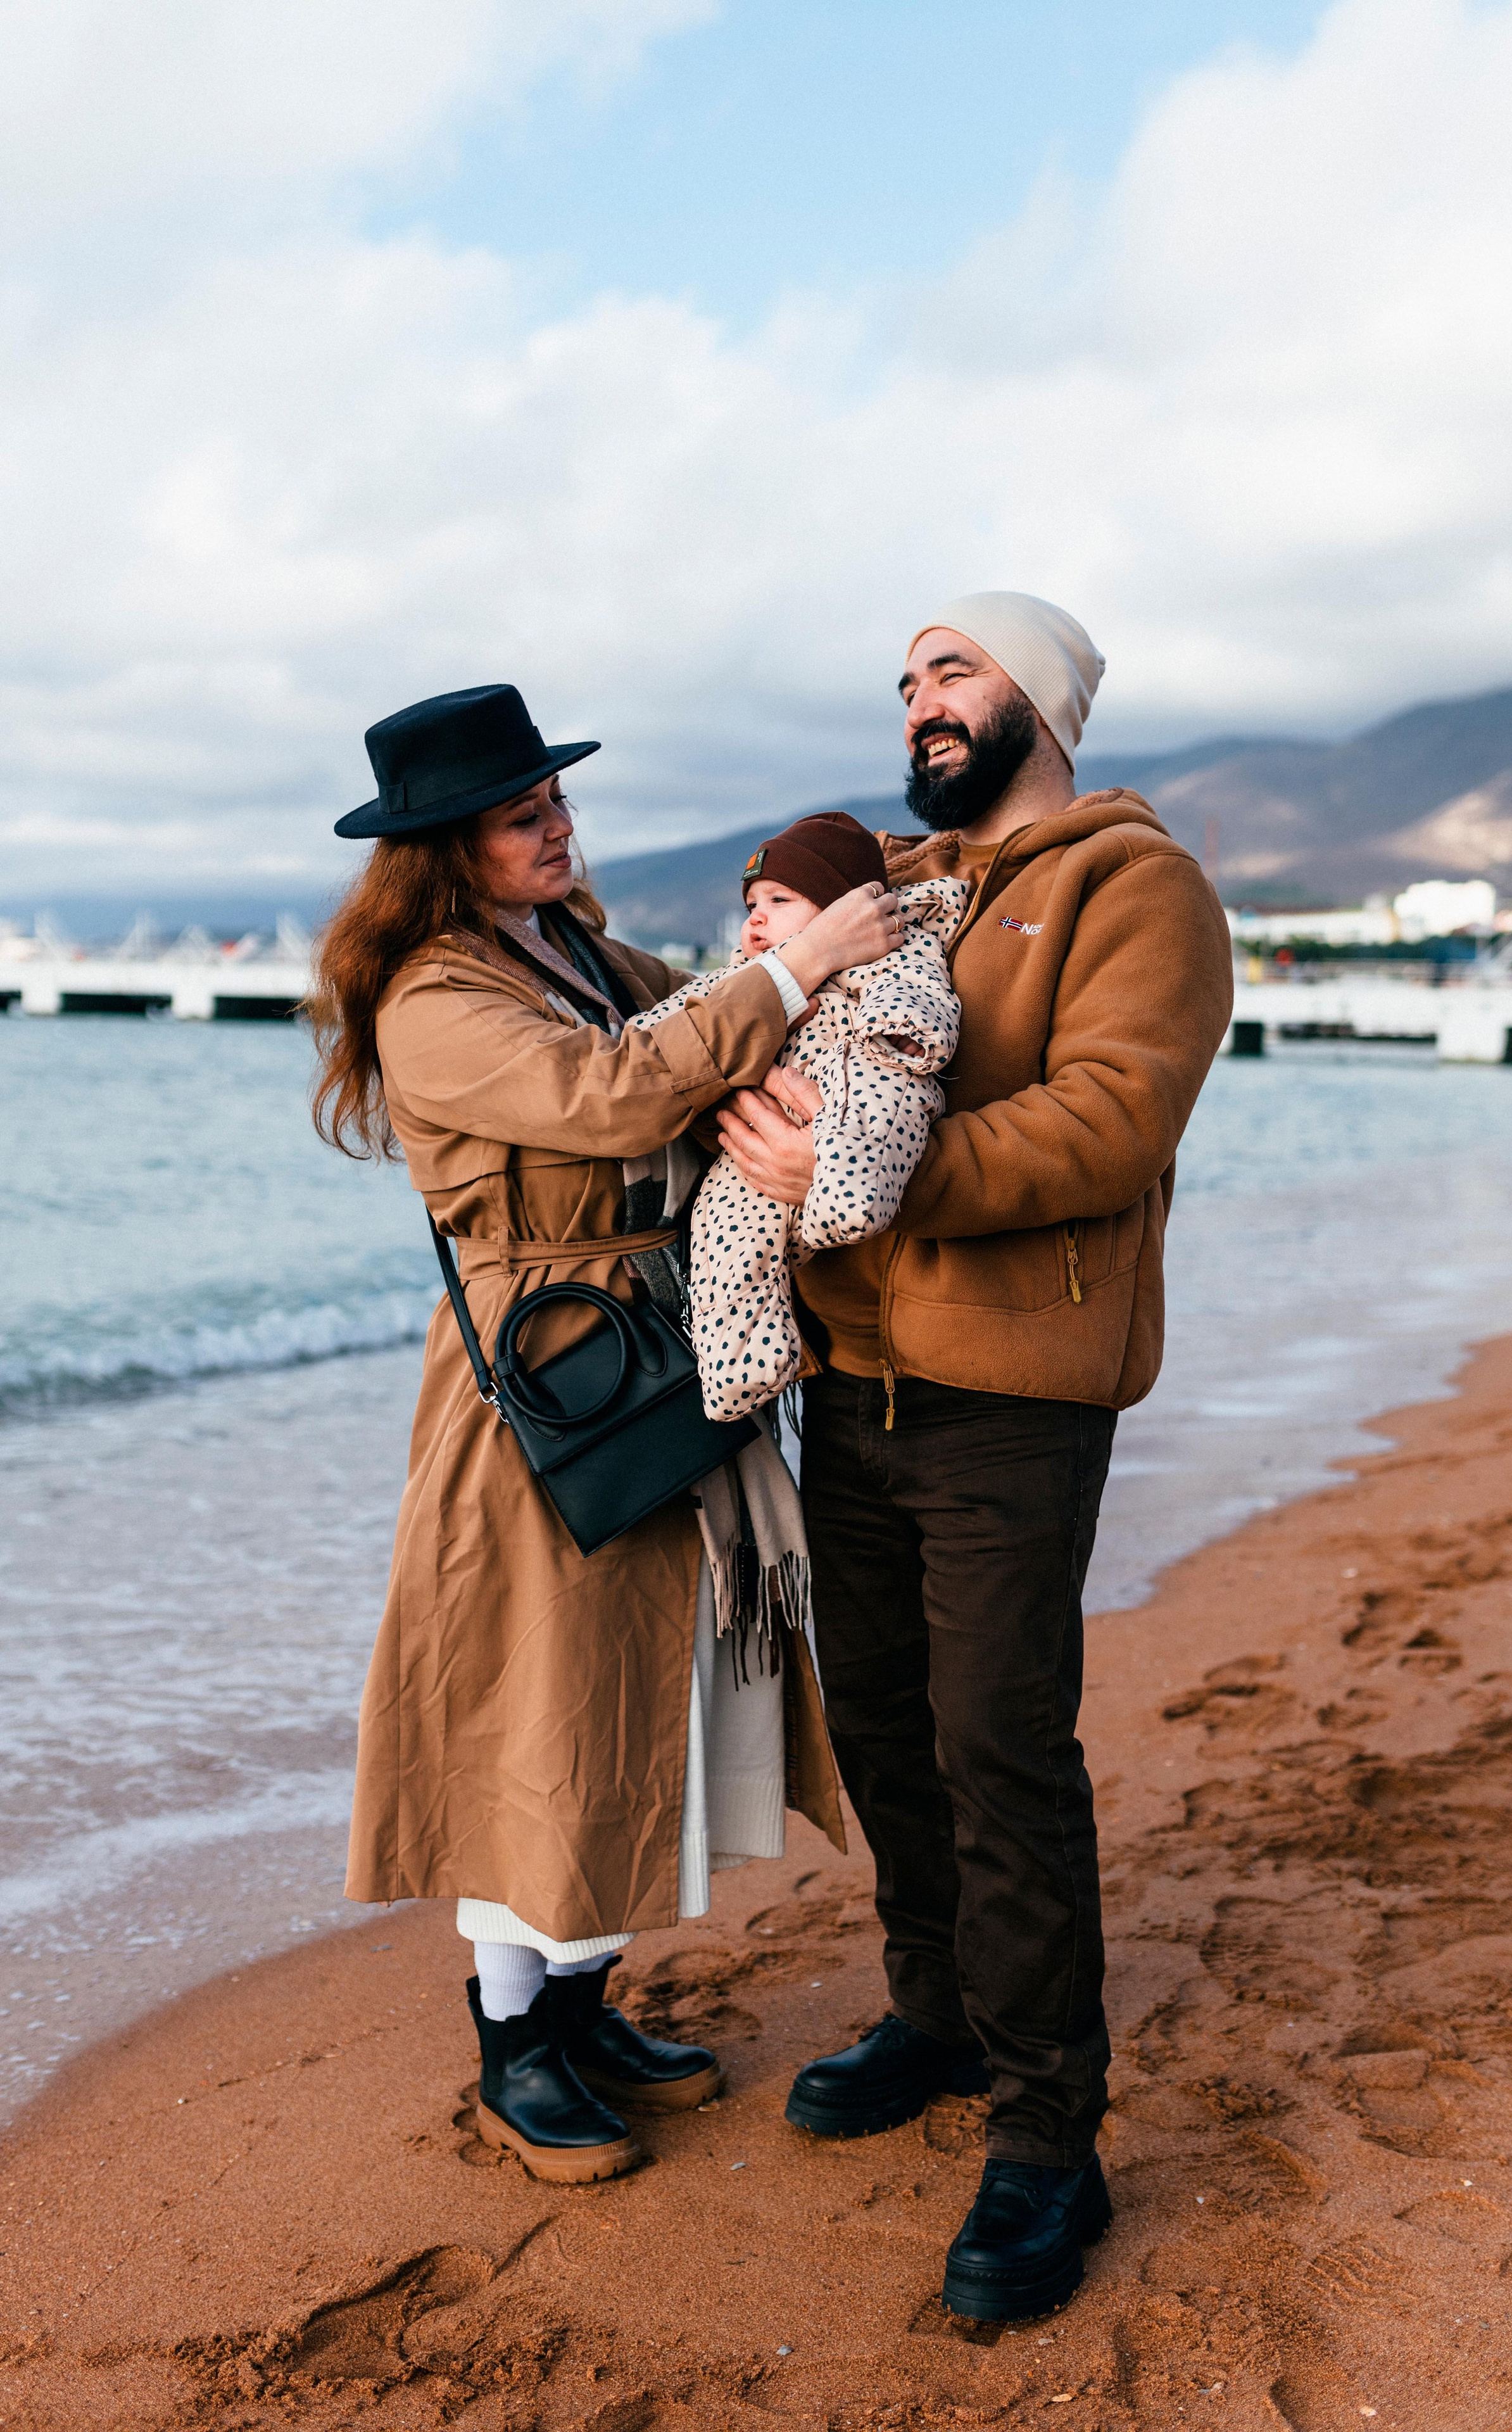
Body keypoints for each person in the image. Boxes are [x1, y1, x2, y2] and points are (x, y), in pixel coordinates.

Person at [715, 594, 1235, 2321]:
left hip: (1017, 1392)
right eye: (908, 680)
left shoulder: (1132, 888)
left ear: (1047, 695)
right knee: (879, 1722)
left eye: (953, 668)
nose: (920, 699)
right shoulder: (906, 889)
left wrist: (856, 1180)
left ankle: (1047, 2137)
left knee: (996, 1745)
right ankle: (935, 2014)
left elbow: (1108, 1122)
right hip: (852, 1373)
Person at [311, 681, 898, 2184]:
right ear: (446, 846)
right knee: (538, 1714)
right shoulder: (433, 995)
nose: (558, 823)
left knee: (635, 1698)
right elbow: (624, 1086)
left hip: (642, 1352)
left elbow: (701, 1009)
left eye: (557, 797)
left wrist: (832, 931)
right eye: (523, 813)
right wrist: (797, 967)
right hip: (551, 1388)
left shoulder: (562, 945)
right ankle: (515, 2046)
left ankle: (576, 2005)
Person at [624, 809, 969, 1419]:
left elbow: (918, 993)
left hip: (867, 1067)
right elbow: (682, 1019)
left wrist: (902, 1035)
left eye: (779, 898)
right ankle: (741, 1364)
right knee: (722, 1233)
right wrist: (642, 1037)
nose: (756, 916)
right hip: (759, 1137)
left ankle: (850, 1195)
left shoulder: (893, 948)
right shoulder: (744, 978)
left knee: (888, 1115)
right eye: (752, 901)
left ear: (845, 912)